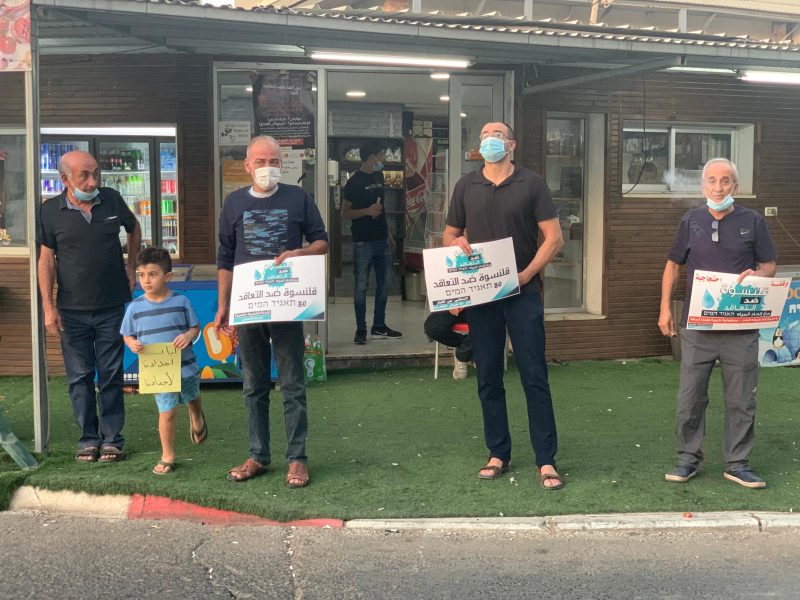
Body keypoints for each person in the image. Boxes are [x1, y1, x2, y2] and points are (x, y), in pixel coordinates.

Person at [443, 122, 565, 489]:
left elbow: (554, 238)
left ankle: (546, 458)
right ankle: (498, 453)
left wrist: (526, 274)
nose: (489, 140)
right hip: (482, 295)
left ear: (511, 144)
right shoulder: (466, 185)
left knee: (534, 375)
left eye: (497, 135)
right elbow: (450, 233)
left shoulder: (532, 183)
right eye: (484, 136)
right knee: (488, 375)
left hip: (523, 294)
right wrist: (455, 244)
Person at [215, 135, 329, 488]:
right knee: (253, 384)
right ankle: (257, 455)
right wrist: (223, 306)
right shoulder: (233, 203)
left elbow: (322, 242)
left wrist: (300, 253)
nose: (268, 168)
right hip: (248, 307)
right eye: (261, 162)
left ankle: (297, 459)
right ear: (248, 166)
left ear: (283, 164)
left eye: (274, 162)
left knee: (292, 382)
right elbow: (225, 258)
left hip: (287, 306)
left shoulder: (298, 198)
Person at [659, 157, 777, 489]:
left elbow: (769, 265)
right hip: (697, 326)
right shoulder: (690, 220)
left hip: (740, 327)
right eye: (712, 180)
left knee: (741, 398)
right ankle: (687, 459)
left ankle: (737, 464)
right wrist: (664, 309)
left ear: (735, 186)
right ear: (703, 187)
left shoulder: (753, 221)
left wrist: (757, 274)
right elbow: (673, 265)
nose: (718, 187)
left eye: (725, 181)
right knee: (690, 397)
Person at [37, 149, 141, 463]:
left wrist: (132, 268)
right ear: (65, 179)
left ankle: (112, 439)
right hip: (71, 310)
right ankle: (88, 439)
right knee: (79, 377)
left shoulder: (111, 199)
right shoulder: (50, 211)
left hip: (112, 304)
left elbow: (133, 227)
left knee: (111, 375)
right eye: (84, 175)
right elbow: (46, 260)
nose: (92, 181)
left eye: (95, 173)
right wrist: (48, 307)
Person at [121, 247, 207, 475]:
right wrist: (131, 343)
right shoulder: (135, 307)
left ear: (167, 276)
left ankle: (196, 414)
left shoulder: (181, 301)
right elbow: (126, 334)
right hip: (158, 373)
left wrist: (188, 336)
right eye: (141, 275)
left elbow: (195, 327)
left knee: (192, 397)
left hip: (185, 367)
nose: (146, 280)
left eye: (152, 274)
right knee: (167, 411)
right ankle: (167, 455)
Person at [342, 140, 401, 345]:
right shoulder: (354, 182)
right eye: (381, 155)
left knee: (384, 284)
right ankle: (361, 329)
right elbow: (345, 212)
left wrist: (389, 234)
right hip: (363, 241)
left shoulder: (379, 176)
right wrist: (367, 211)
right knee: (361, 286)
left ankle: (379, 325)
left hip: (381, 239)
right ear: (371, 157)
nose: (383, 159)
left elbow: (381, 209)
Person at [424, 309, 472, 379]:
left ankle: (463, 354)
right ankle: (470, 348)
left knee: (487, 322)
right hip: (453, 307)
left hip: (481, 309)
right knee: (432, 326)